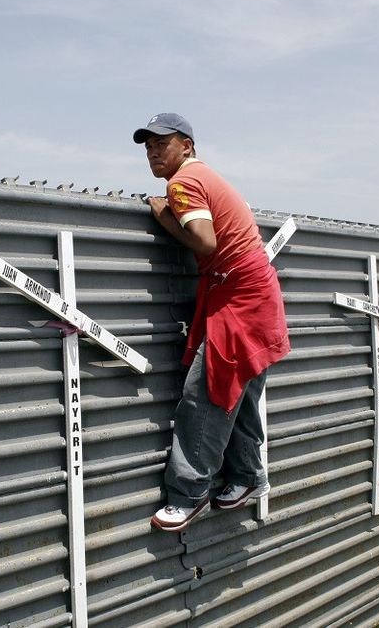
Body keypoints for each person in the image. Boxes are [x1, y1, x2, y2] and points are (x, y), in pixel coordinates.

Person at [135, 112, 291, 532]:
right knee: (237, 391)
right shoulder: (207, 176)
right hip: (253, 294)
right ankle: (246, 477)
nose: (153, 152)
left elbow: (205, 241)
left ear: (187, 145)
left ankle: (189, 494)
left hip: (239, 299)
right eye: (148, 146)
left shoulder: (183, 183)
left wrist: (163, 216)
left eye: (161, 143)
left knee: (206, 394)